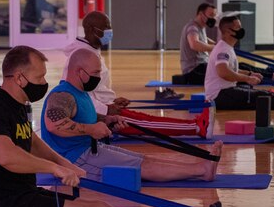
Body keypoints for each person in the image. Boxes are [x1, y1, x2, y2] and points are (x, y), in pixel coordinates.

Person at [0, 45, 222, 207]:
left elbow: (31, 141)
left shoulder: (16, 105)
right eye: (39, 78)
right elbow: (6, 156)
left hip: (23, 199)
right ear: (19, 78)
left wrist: (63, 162)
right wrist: (55, 168)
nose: (44, 83)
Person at [43, 48, 221, 183]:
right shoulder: (62, 95)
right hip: (75, 160)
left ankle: (201, 167)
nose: (98, 77)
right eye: (95, 73)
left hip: (88, 150)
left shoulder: (79, 91)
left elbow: (81, 116)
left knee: (143, 159)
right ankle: (201, 171)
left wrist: (106, 120)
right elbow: (54, 124)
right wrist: (91, 129)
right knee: (140, 166)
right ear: (79, 72)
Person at [65, 11, 208, 138]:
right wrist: (105, 109)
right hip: (97, 115)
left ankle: (195, 124)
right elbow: (75, 94)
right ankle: (196, 127)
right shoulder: (79, 56)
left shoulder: (91, 49)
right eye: (106, 27)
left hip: (102, 109)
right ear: (91, 29)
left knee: (144, 119)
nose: (109, 31)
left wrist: (112, 100)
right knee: (145, 124)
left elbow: (95, 89)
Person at [205, 16, 274, 110]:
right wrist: (247, 79)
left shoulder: (226, 47)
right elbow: (223, 73)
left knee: (261, 93)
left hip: (224, 93)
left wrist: (250, 74)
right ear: (228, 31)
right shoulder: (223, 49)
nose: (241, 29)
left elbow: (230, 70)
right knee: (262, 97)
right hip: (220, 96)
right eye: (238, 27)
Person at [179, 3, 217, 84]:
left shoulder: (200, 27)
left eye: (214, 16)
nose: (213, 18)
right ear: (201, 14)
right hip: (194, 71)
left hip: (201, 67)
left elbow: (202, 38)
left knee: (235, 67)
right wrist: (214, 47)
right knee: (224, 74)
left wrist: (215, 43)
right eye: (211, 15)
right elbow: (194, 44)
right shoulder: (192, 28)